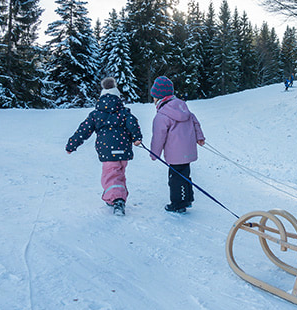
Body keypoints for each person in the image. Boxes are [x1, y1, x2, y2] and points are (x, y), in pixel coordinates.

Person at [65, 77, 142, 216]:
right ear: (117, 97)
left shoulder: (96, 114)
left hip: (107, 151)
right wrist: (137, 138)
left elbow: (84, 130)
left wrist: (72, 144)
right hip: (123, 151)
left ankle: (117, 200)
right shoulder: (124, 112)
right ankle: (116, 196)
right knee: (119, 174)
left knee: (111, 176)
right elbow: (133, 124)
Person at [150, 76, 205, 213]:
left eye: (154, 97)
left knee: (175, 179)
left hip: (175, 155)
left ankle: (177, 204)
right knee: (185, 175)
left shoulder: (162, 115)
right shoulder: (184, 108)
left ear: (159, 98)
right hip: (189, 151)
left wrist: (154, 153)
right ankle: (187, 199)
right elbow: (195, 122)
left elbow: (158, 136)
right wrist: (200, 137)